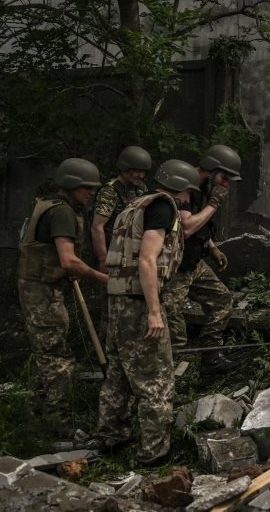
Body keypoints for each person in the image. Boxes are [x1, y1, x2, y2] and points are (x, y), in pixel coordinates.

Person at [96, 159, 199, 465]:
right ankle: (154, 452)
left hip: (118, 298)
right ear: (181, 187)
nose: (188, 196)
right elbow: (147, 259)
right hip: (139, 301)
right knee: (156, 378)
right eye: (188, 190)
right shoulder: (162, 207)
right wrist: (155, 310)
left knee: (118, 374)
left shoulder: (134, 204)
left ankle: (111, 437)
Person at [17, 158, 108, 414]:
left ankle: (36, 413)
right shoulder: (62, 212)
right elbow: (68, 261)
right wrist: (102, 278)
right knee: (58, 357)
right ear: (69, 185)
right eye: (85, 188)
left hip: (42, 286)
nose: (91, 193)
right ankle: (59, 419)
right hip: (42, 292)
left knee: (44, 353)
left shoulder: (48, 204)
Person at [162, 145, 240, 366]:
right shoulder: (185, 187)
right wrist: (214, 204)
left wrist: (212, 246)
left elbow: (200, 224)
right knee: (171, 317)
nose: (226, 183)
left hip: (194, 261)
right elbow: (186, 228)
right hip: (175, 266)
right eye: (225, 177)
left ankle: (211, 358)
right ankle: (171, 372)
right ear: (212, 169)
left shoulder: (206, 186)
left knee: (222, 300)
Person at [90, 146, 152, 272]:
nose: (141, 175)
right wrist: (103, 259)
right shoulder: (110, 191)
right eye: (137, 171)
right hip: (112, 250)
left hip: (131, 252)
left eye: (144, 172)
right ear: (125, 169)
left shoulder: (141, 189)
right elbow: (97, 227)